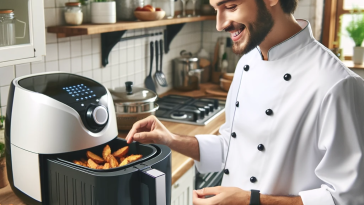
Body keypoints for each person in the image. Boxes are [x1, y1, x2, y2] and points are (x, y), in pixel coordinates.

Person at [126, 0, 364, 204]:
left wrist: (253, 201)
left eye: (230, 6)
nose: (219, 24)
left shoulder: (337, 83)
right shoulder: (246, 63)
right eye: (216, 8)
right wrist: (171, 140)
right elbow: (233, 147)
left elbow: (347, 198)